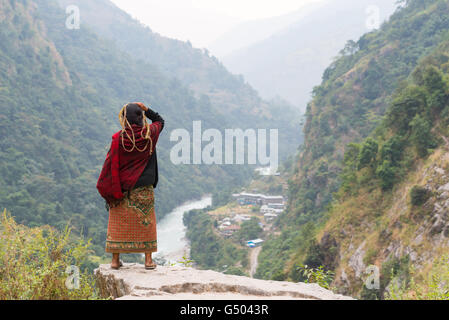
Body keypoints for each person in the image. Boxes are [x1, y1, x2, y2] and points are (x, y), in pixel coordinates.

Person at [97, 102, 164, 270]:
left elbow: (111, 165)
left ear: (125, 119)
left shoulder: (118, 138)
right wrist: (147, 109)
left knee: (118, 221)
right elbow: (160, 121)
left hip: (123, 187)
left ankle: (115, 260)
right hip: (144, 186)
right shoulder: (149, 134)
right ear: (141, 118)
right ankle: (148, 261)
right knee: (146, 220)